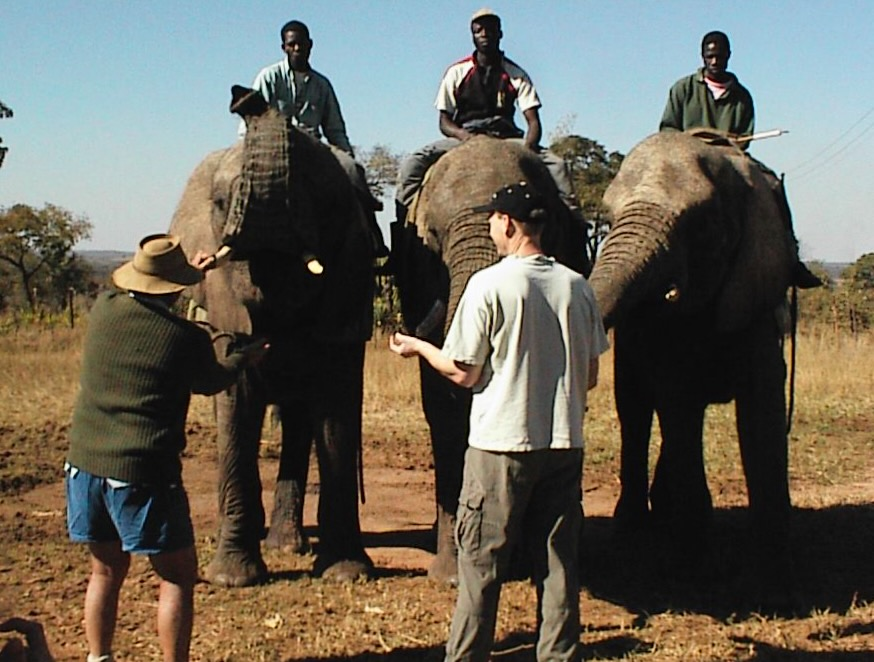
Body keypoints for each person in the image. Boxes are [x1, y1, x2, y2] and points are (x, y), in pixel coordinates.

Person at [389, 181, 609, 662]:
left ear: (507, 223)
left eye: (491, 219)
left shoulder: (489, 284)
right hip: (564, 445)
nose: (489, 228)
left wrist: (419, 347)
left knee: (481, 561)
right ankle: (558, 654)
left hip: (500, 447)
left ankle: (468, 655)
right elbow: (590, 375)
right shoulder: (578, 286)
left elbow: (463, 372)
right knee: (558, 563)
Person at [65, 234, 268, 662]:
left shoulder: (103, 309)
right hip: (142, 471)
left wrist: (191, 271)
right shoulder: (183, 336)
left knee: (105, 570)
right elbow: (211, 380)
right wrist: (243, 358)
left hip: (84, 466)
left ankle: (98, 657)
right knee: (177, 576)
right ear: (175, 287)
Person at [660, 30, 820, 288]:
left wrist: (728, 146)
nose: (715, 61)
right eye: (710, 56)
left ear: (729, 56)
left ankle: (791, 258)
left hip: (729, 160)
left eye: (720, 56)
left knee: (774, 185)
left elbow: (744, 138)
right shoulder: (682, 89)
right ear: (702, 56)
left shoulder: (742, 96)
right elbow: (668, 129)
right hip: (687, 161)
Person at [395, 9, 577, 219]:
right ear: (472, 36)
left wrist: (527, 151)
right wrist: (465, 136)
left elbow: (533, 122)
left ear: (500, 33)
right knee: (412, 164)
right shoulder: (457, 72)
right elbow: (444, 121)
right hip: (465, 136)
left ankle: (574, 222)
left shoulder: (516, 74)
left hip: (507, 138)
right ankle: (404, 222)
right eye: (478, 30)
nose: (484, 34)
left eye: (489, 29)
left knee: (558, 166)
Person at [244, 19, 387, 256]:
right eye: (292, 44)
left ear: (310, 45)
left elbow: (335, 129)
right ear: (283, 47)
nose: (297, 48)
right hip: (275, 148)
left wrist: (347, 156)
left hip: (314, 149)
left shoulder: (322, 85)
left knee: (353, 170)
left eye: (301, 44)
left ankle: (372, 235)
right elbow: (251, 123)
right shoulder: (268, 78)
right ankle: (239, 235)